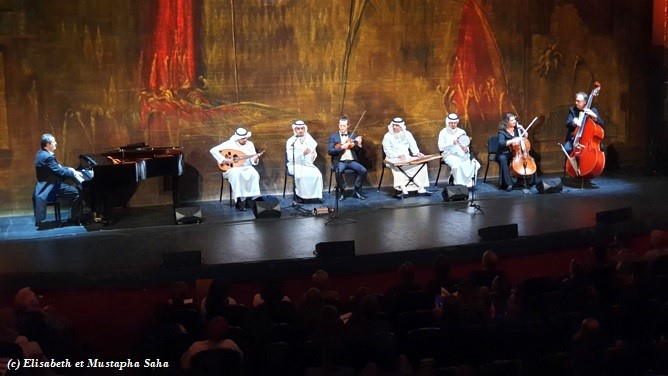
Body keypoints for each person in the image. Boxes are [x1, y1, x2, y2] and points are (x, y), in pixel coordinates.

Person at [33, 133, 84, 226]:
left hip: (44, 185)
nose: (56, 143)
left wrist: (69, 169)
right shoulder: (48, 157)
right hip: (50, 187)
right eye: (54, 142)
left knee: (72, 187)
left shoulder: (41, 153)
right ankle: (73, 219)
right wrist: (74, 173)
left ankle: (73, 216)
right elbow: (60, 172)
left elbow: (57, 167)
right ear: (48, 144)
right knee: (77, 193)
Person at [209, 127, 262, 211]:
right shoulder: (230, 143)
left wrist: (255, 158)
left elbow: (252, 160)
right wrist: (223, 159)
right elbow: (213, 150)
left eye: (246, 138)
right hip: (233, 168)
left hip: (247, 167)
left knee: (254, 174)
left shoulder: (250, 144)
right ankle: (240, 201)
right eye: (243, 138)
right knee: (237, 174)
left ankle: (250, 199)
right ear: (238, 138)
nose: (245, 140)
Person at [381, 117, 430, 198]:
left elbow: (413, 145)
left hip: (406, 157)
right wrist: (397, 155)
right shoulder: (387, 136)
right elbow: (387, 150)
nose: (394, 127)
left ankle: (421, 188)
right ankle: (404, 190)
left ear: (401, 126)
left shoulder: (407, 134)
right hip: (391, 158)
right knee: (399, 167)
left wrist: (417, 153)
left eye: (397, 125)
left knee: (422, 165)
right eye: (393, 125)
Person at [496, 113, 539, 191]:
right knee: (502, 159)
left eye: (514, 120)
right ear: (507, 122)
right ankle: (508, 184)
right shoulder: (502, 132)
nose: (514, 121)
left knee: (531, 159)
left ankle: (532, 181)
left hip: (516, 152)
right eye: (512, 120)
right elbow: (501, 143)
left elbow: (525, 136)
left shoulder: (517, 129)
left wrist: (522, 128)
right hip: (505, 153)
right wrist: (512, 140)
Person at [327, 115, 367, 200]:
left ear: (348, 126)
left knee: (363, 170)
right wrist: (341, 147)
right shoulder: (333, 137)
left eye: (344, 126)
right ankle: (342, 190)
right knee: (338, 171)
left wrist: (359, 144)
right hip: (340, 161)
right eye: (340, 125)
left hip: (351, 161)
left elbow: (358, 152)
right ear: (338, 125)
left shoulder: (353, 136)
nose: (342, 128)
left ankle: (356, 190)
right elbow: (330, 151)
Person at [437, 113, 481, 187]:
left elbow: (466, 144)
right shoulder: (443, 132)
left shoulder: (462, 132)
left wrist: (465, 149)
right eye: (451, 123)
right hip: (448, 155)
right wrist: (452, 143)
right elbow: (441, 147)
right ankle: (458, 184)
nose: (453, 124)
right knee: (457, 165)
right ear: (448, 122)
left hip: (462, 154)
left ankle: (468, 184)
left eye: (455, 123)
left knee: (474, 164)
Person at [286, 120, 323, 201]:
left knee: (317, 175)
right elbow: (290, 158)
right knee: (302, 175)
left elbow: (313, 154)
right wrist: (302, 154)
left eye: (302, 128)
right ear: (295, 130)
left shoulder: (309, 139)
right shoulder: (290, 141)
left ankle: (314, 197)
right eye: (298, 129)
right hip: (295, 164)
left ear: (304, 129)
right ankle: (301, 196)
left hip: (307, 163)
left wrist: (312, 154)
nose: (300, 130)